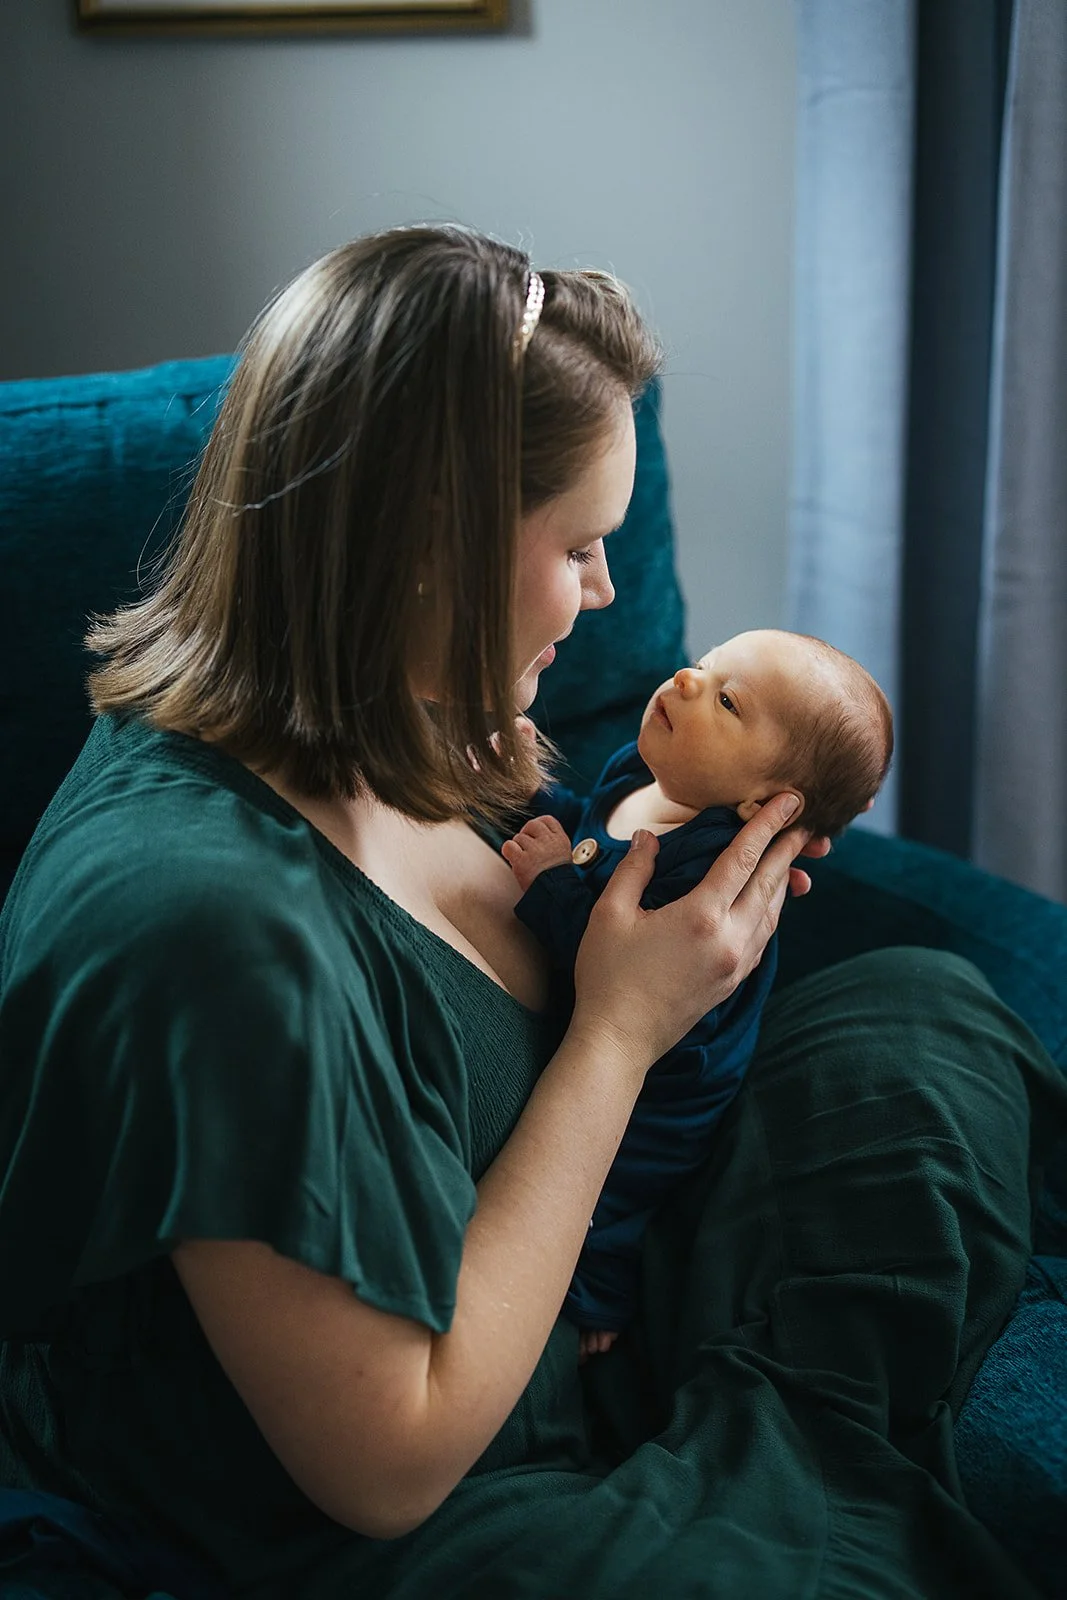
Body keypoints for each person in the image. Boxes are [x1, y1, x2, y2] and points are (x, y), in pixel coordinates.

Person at [0, 223, 1064, 1600]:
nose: (608, 594)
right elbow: (388, 1469)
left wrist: (681, 961)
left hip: (586, 1283)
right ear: (424, 545)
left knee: (917, 1015)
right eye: (576, 546)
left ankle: (782, 1446)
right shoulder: (206, 934)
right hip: (418, 1492)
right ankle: (791, 1465)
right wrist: (621, 1035)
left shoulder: (410, 719)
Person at [504, 629, 893, 1355]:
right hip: (625, 1028)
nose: (685, 678)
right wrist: (534, 792)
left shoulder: (702, 870)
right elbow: (590, 834)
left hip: (671, 1079)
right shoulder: (644, 776)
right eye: (704, 663)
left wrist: (552, 882)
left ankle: (602, 1298)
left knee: (618, 1183)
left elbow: (608, 954)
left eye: (726, 699)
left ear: (759, 805)